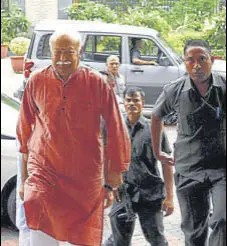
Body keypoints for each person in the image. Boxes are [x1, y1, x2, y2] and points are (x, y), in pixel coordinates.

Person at [16, 29, 131, 246]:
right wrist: (24, 179)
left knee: (83, 235)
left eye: (68, 52)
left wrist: (114, 174)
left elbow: (116, 127)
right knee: (37, 209)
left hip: (84, 174)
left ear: (79, 52)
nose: (62, 59)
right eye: (57, 52)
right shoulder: (37, 81)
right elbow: (24, 128)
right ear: (50, 52)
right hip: (45, 168)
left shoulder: (97, 83)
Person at [151, 39, 226, 246]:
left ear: (212, 60)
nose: (197, 65)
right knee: (194, 231)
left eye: (202, 59)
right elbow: (157, 117)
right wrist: (158, 152)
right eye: (190, 60)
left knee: (222, 219)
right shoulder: (174, 90)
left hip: (221, 168)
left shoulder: (223, 87)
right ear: (184, 63)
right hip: (188, 169)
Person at [104, 87, 174, 246]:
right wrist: (108, 186)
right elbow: (106, 159)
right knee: (117, 240)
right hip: (122, 192)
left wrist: (169, 197)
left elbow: (166, 164)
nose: (132, 103)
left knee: (156, 239)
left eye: (136, 100)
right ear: (123, 102)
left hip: (149, 193)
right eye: (128, 100)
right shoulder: (116, 128)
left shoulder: (155, 129)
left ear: (143, 102)